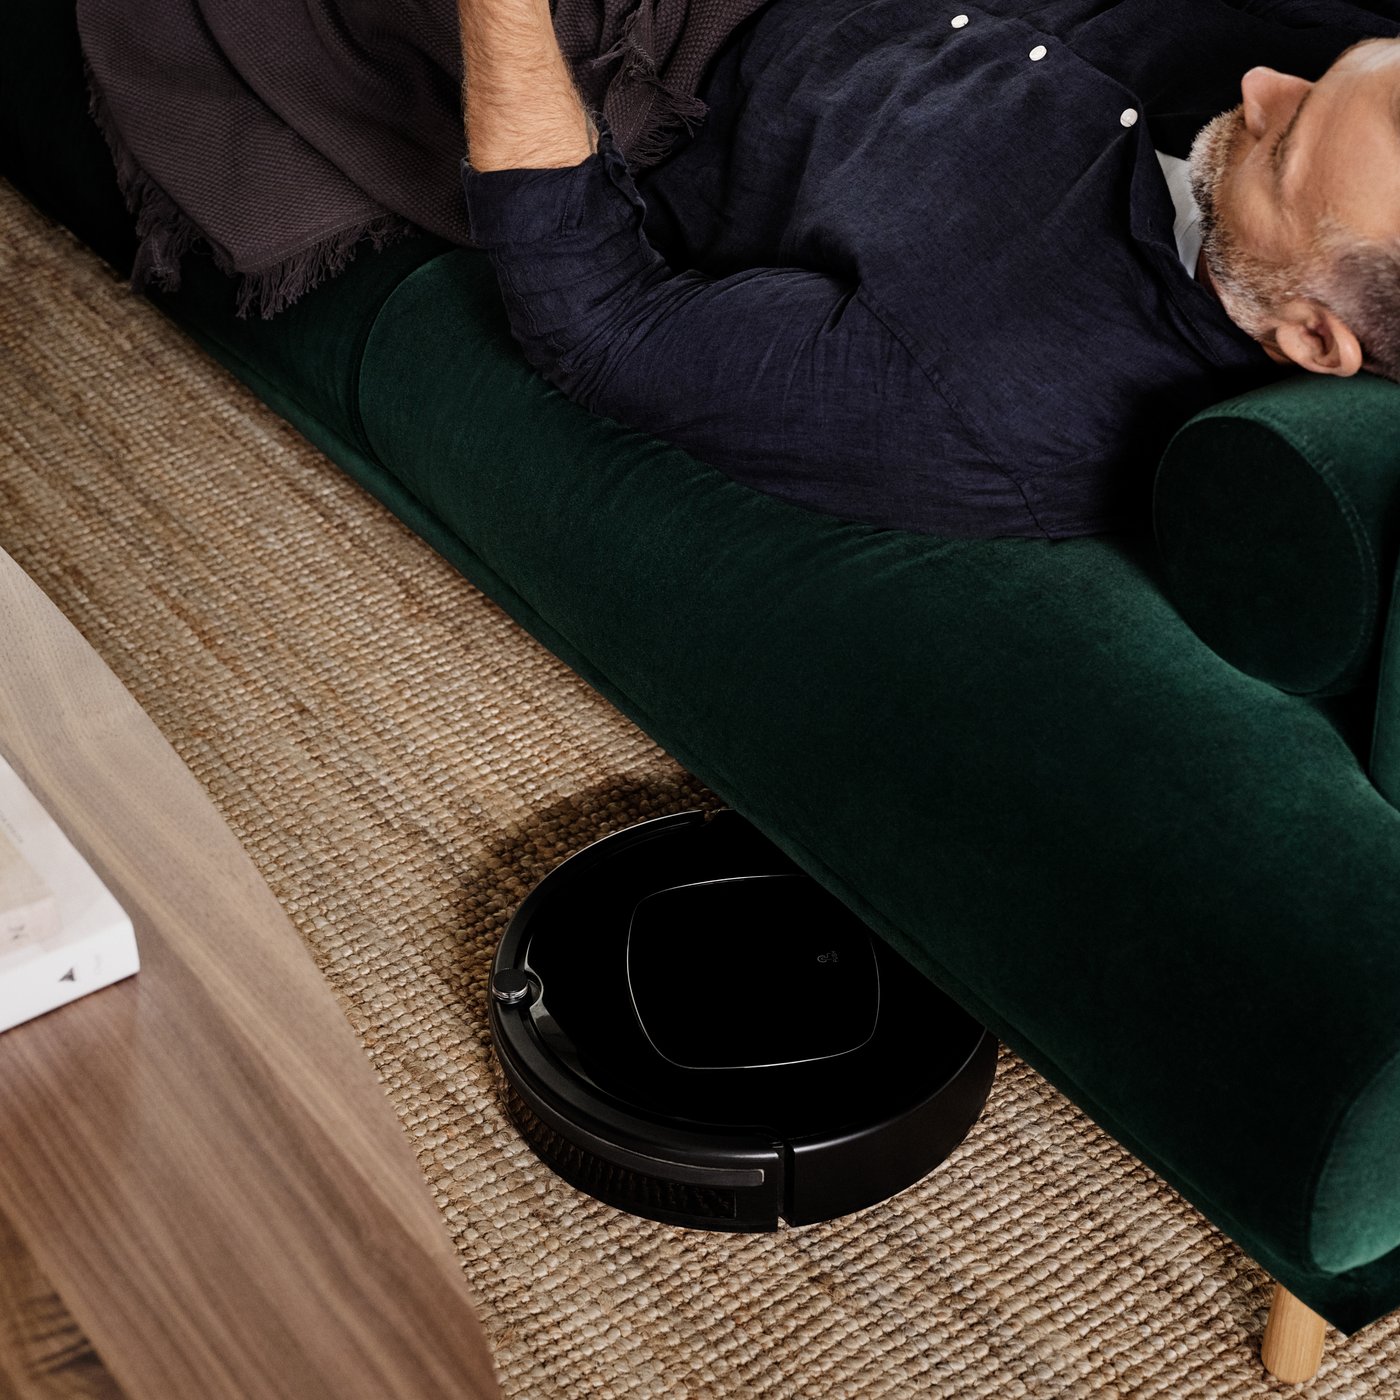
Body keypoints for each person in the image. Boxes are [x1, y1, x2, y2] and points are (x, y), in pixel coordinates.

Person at [457, 0, 1400, 539]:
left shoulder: (1002, 400)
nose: (1264, 85)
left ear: (1311, 338)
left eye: (1279, 151)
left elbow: (600, 327)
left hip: (651, 40)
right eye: (1333, 72)